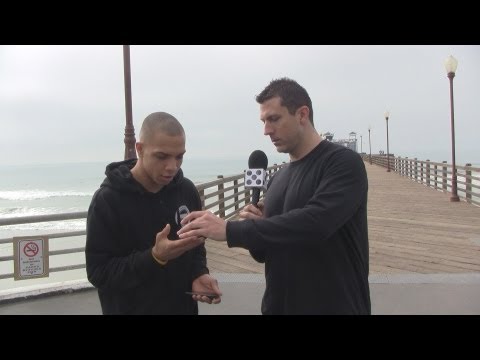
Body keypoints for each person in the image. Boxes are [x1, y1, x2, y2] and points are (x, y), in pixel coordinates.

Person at [178, 78, 371, 315]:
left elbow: (316, 224)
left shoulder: (342, 163)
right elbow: (265, 253)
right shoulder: (278, 178)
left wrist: (230, 230)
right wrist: (255, 225)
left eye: (274, 119)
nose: (266, 130)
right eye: (264, 121)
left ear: (302, 114)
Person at [85, 112, 221, 315]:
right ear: (139, 149)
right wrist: (155, 257)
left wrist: (198, 273)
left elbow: (195, 246)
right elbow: (99, 273)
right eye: (162, 156)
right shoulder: (108, 201)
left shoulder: (186, 190)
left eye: (179, 156)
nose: (172, 166)